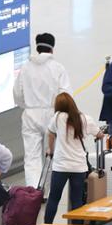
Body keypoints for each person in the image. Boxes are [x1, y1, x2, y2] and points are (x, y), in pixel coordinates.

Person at [13, 33, 70, 187]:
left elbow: (17, 94)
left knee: (31, 156)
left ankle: (33, 190)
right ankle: (51, 190)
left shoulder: (25, 68)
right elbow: (65, 94)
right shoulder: (58, 68)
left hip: (30, 114)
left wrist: (28, 106)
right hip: (53, 114)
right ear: (52, 49)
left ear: (37, 47)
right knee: (54, 153)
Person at [44, 93, 103, 224]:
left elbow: (50, 134)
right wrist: (99, 134)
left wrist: (50, 149)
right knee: (77, 200)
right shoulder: (84, 118)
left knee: (54, 198)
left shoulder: (57, 117)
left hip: (60, 166)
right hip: (78, 166)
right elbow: (99, 134)